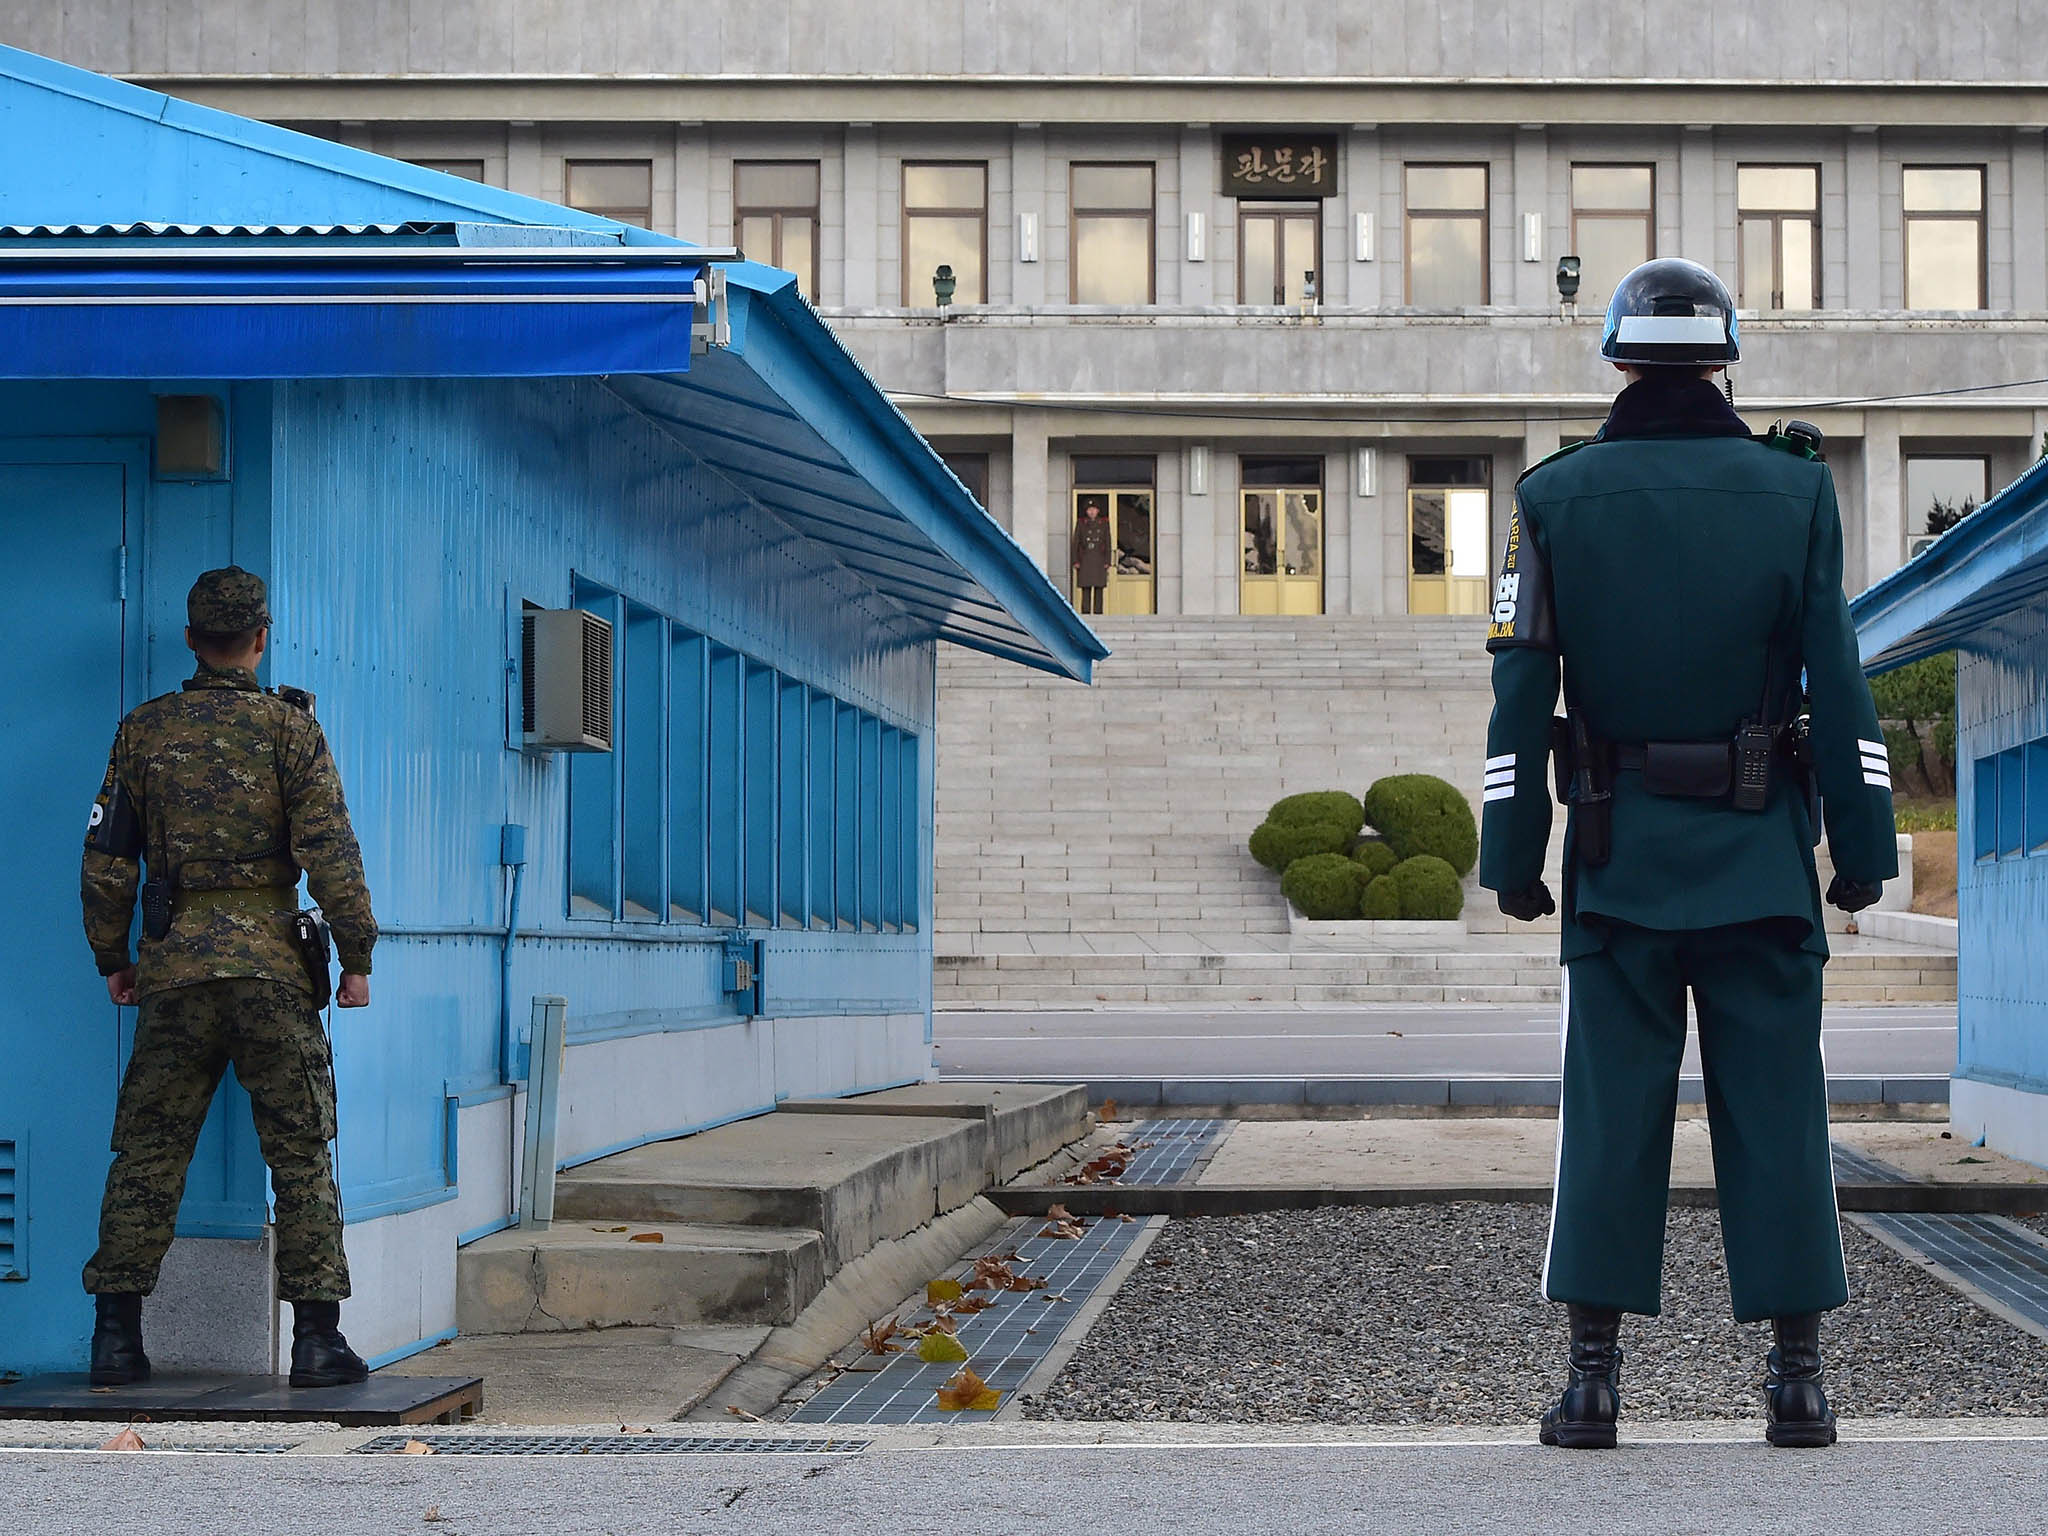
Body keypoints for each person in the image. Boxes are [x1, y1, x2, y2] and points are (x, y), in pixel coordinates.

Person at [1480, 258, 1897, 1450]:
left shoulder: (1549, 497)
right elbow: (1838, 675)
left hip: (1615, 858)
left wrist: (1513, 851)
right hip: (1761, 853)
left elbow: (1521, 693)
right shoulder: (1792, 491)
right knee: (1778, 1110)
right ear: (1724, 359)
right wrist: (1859, 846)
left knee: (1608, 1117)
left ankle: (1594, 1382)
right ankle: (1799, 1382)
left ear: (1615, 357)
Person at [80, 567, 379, 1388]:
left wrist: (115, 959)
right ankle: (317, 1341)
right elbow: (332, 854)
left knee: (146, 1151)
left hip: (175, 968)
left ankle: (115, 1340)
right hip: (274, 972)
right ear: (260, 637)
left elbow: (108, 862)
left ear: (190, 639)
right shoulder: (291, 733)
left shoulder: (144, 731)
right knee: (301, 1152)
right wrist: (355, 959)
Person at [1073, 499, 1113, 614]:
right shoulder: (1081, 523)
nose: (1091, 512)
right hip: (1085, 559)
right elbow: (1076, 542)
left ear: (1097, 511)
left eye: (1093, 509)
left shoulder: (1104, 524)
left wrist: (1107, 560)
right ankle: (1085, 613)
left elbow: (1107, 542)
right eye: (1089, 510)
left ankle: (1098, 612)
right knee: (1086, 588)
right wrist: (1075, 560)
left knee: (1099, 588)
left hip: (1099, 559)